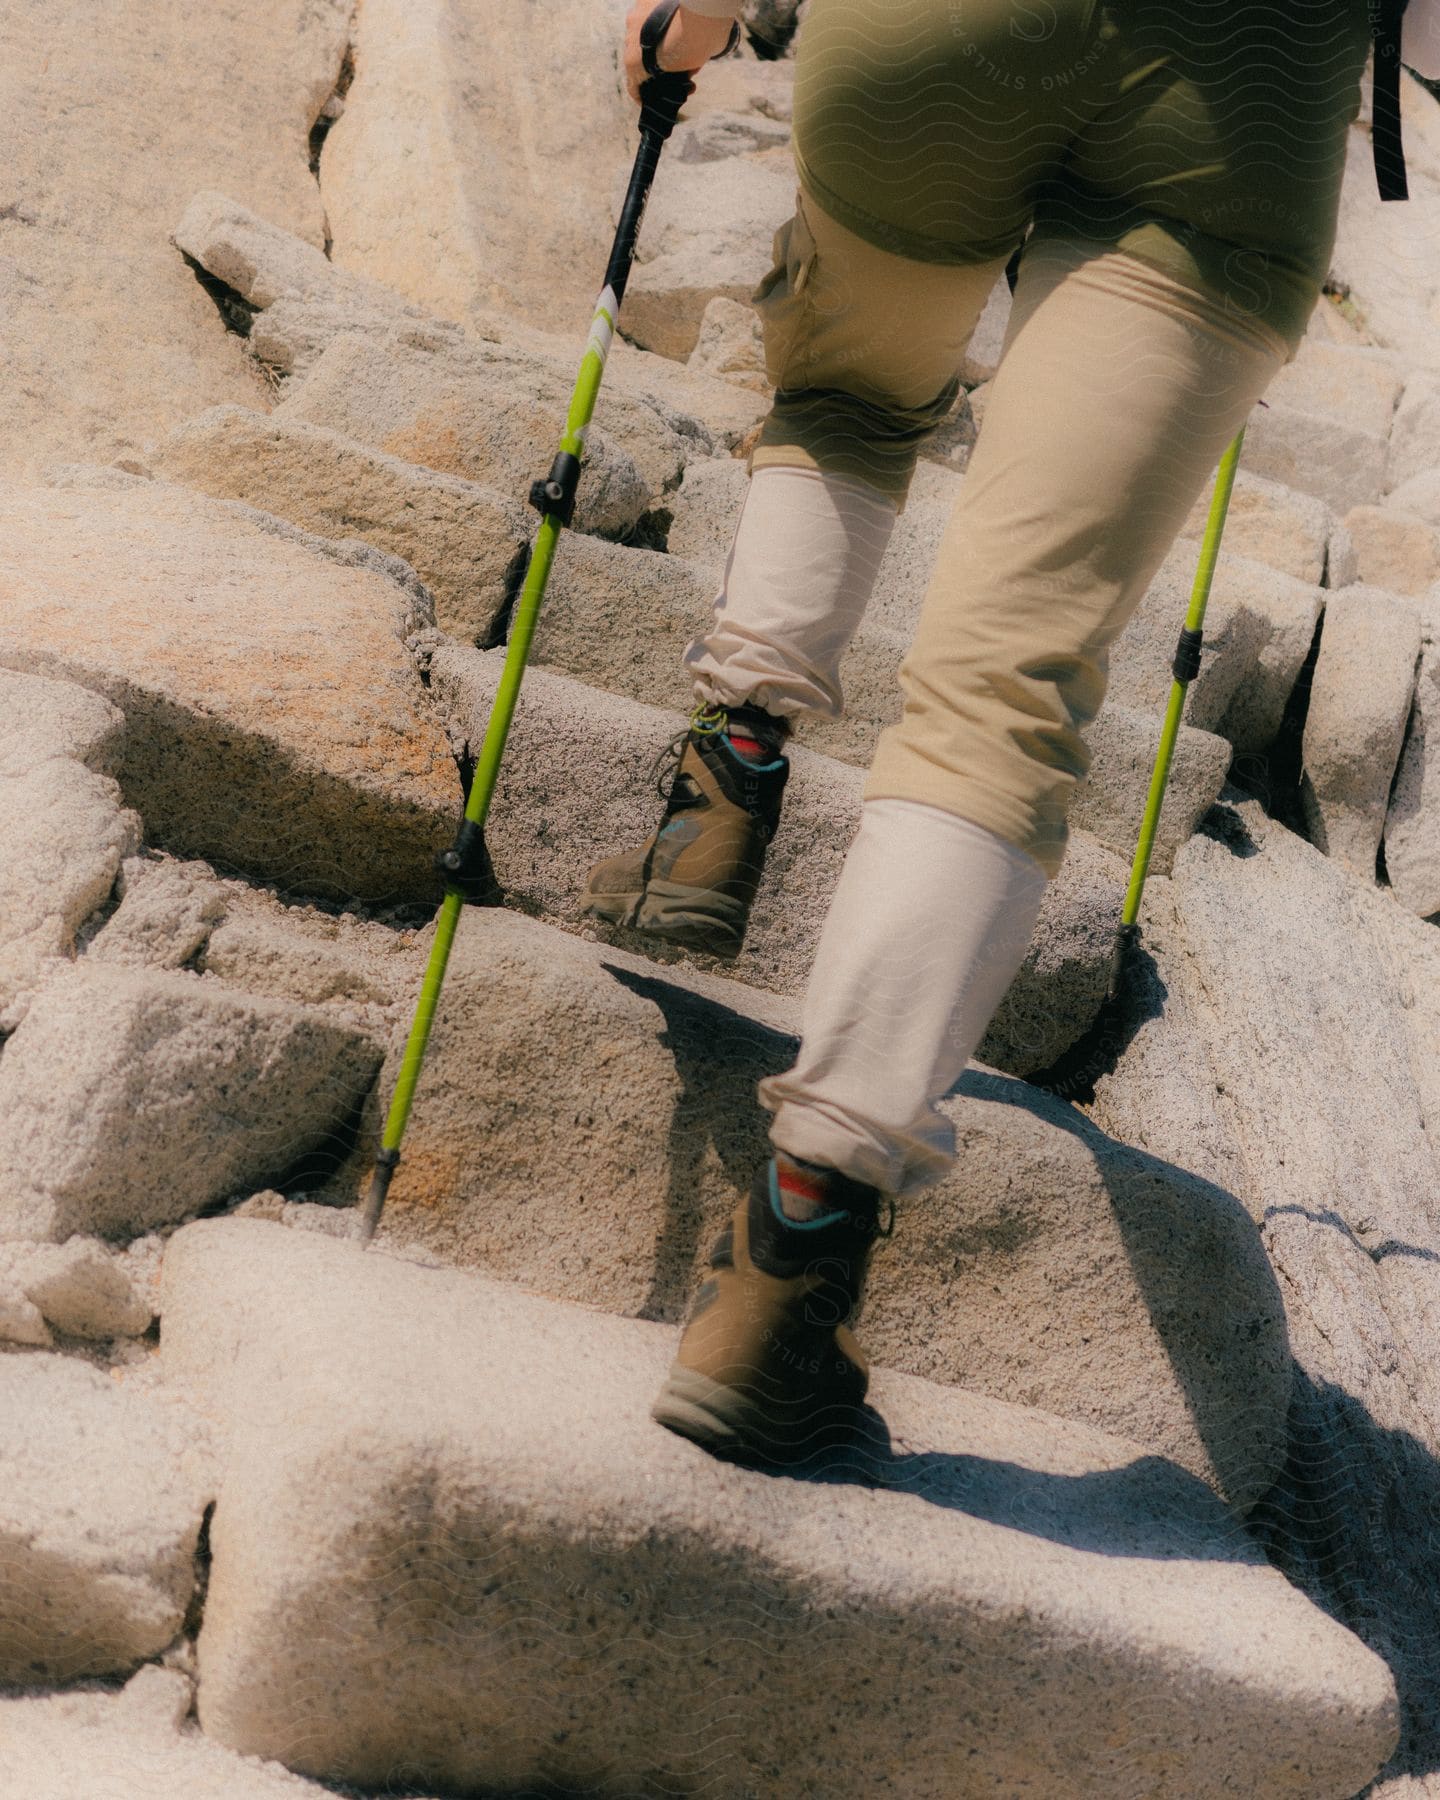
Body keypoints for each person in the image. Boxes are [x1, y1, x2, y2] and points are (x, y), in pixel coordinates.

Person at [591, 0, 1376, 1465]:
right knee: (1011, 678)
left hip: (935, 40)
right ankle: (795, 1253)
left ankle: (729, 774)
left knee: (846, 387)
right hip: (1247, 90)